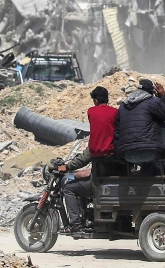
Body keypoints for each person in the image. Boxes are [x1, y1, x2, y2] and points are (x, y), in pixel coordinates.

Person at [57, 86, 119, 232]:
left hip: (100, 179)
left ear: (95, 101)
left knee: (69, 188)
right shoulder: (115, 114)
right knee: (80, 176)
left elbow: (86, 156)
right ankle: (86, 218)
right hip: (111, 173)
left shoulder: (92, 112)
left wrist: (68, 166)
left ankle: (76, 224)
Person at [114, 78, 165, 175]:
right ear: (151, 92)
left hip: (128, 155)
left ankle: (146, 180)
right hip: (150, 152)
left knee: (148, 163)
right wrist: (163, 96)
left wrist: (119, 156)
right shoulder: (152, 101)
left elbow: (117, 133)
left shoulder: (123, 106)